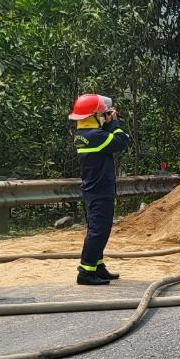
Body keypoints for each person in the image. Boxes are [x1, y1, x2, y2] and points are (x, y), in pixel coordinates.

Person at [68, 93, 130, 286]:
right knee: (98, 231)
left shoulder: (83, 135)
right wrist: (114, 123)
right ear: (93, 117)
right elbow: (122, 141)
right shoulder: (96, 136)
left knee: (98, 230)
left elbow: (105, 138)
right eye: (101, 114)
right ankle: (85, 271)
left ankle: (97, 266)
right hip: (100, 190)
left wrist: (104, 122)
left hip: (92, 190)